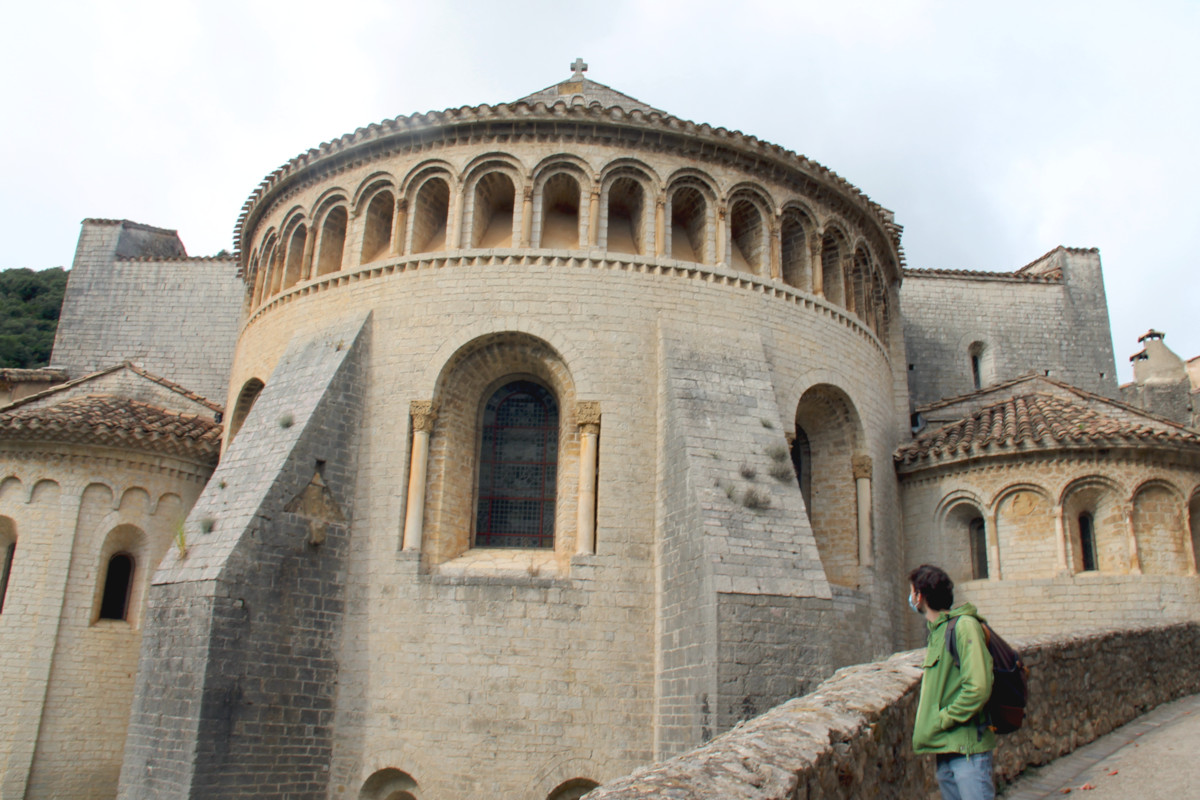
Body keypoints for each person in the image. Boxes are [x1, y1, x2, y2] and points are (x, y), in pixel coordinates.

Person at [909, 564, 995, 800]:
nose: (911, 598)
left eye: (913, 593)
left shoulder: (964, 626)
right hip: (946, 749)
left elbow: (978, 687)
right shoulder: (937, 631)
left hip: (968, 750)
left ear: (921, 596)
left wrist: (943, 719)